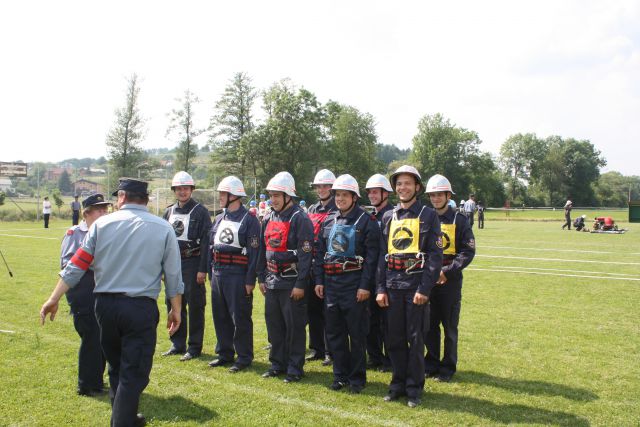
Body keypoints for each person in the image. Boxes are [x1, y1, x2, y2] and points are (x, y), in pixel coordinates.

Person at [40, 178, 183, 427]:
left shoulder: (101, 225)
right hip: (139, 308)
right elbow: (173, 275)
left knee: (117, 367)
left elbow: (77, 264)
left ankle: (126, 417)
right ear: (146, 199)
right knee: (134, 372)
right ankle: (122, 421)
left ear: (123, 197)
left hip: (105, 308)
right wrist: (176, 309)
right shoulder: (162, 228)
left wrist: (54, 298)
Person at [376, 165, 442, 408]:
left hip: (415, 288)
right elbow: (382, 256)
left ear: (417, 187)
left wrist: (425, 289)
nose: (403, 187)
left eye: (407, 183)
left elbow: (435, 256)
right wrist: (380, 288)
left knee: (415, 340)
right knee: (393, 339)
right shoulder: (387, 216)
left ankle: (414, 389)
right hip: (392, 287)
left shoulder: (428, 215)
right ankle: (397, 385)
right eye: (399, 184)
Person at [314, 175, 380, 393]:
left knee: (357, 334)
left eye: (345, 195)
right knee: (334, 333)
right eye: (338, 195)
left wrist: (364, 286)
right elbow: (320, 253)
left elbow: (372, 259)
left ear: (354, 197)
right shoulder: (328, 220)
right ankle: (339, 375)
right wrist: (319, 281)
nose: (340, 199)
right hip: (331, 285)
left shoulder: (366, 222)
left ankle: (357, 378)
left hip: (354, 285)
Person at [257, 172, 314, 383]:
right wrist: (261, 278)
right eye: (271, 195)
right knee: (275, 326)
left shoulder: (301, 219)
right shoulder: (269, 217)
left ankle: (294, 367)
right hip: (271, 281)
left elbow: (307, 255)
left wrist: (300, 284)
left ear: (288, 196)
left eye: (277, 195)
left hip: (292, 282)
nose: (273, 199)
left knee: (294, 327)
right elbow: (263, 249)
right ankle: (277, 364)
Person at [424, 174, 475, 383]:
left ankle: (448, 367)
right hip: (428, 281)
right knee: (429, 325)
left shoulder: (459, 220)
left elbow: (467, 252)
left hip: (450, 282)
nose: (435, 198)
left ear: (448, 195)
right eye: (432, 195)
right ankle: (432, 363)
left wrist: (447, 271)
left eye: (439, 194)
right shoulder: (425, 218)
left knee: (449, 327)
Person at [207, 176, 261, 373]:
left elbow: (255, 253)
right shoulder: (220, 218)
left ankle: (244, 356)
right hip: (218, 273)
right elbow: (211, 245)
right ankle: (224, 353)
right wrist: (210, 270)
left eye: (223, 194)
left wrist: (250, 280)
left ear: (234, 196)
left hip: (238, 274)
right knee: (220, 315)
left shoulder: (250, 220)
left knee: (240, 317)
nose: (220, 197)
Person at [60, 193, 111, 396]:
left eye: (106, 209)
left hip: (100, 289)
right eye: (99, 209)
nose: (104, 213)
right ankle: (87, 385)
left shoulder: (105, 232)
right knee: (91, 336)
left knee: (100, 336)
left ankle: (96, 380)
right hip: (82, 289)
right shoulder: (76, 233)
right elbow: (68, 263)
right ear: (87, 213)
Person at [162, 171, 212, 362]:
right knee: (174, 303)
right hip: (172, 264)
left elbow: (207, 242)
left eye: (186, 188)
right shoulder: (168, 211)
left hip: (192, 263)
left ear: (191, 189)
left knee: (195, 305)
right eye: (179, 189)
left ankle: (194, 346)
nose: (182, 192)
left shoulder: (201, 211)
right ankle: (177, 343)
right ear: (174, 190)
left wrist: (202, 269)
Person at [305, 169, 338, 366]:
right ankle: (316, 348)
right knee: (312, 310)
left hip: (328, 264)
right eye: (318, 186)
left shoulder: (338, 209)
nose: (322, 189)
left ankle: (330, 351)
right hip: (311, 264)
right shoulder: (312, 209)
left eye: (325, 186)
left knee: (328, 312)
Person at [364, 173, 394, 372]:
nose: (372, 195)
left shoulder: (393, 215)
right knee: (370, 320)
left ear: (385, 193)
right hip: (370, 275)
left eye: (375, 192)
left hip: (388, 276)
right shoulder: (370, 216)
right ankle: (374, 356)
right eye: (369, 192)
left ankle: (389, 360)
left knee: (388, 322)